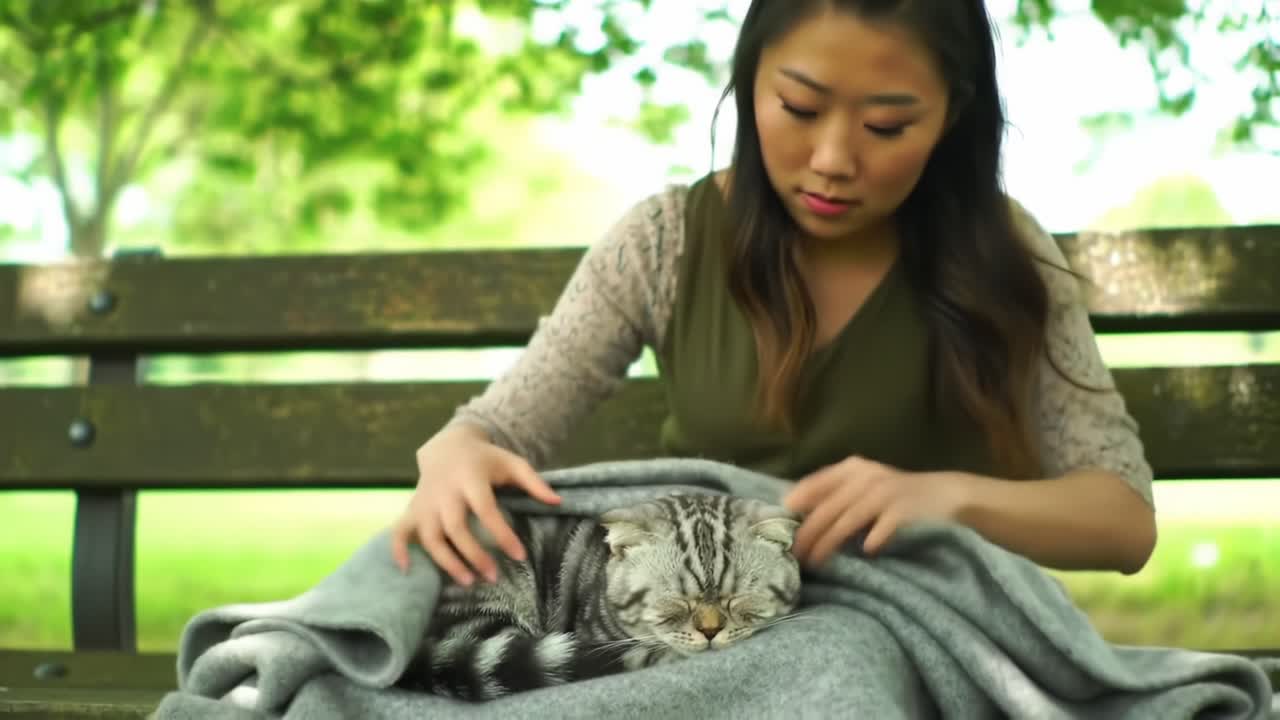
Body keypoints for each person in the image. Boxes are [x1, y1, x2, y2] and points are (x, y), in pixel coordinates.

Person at [390, 0, 1157, 587]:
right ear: (750, 83)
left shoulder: (999, 250)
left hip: (917, 626)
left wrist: (946, 500)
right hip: (709, 622)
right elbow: (498, 428)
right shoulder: (666, 241)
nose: (831, 159)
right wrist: (456, 452)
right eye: (798, 108)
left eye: (886, 126)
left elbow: (1122, 519)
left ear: (950, 118)